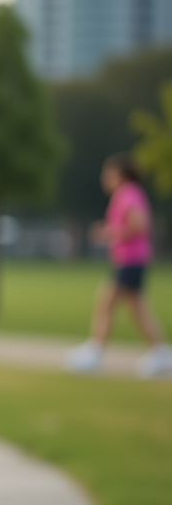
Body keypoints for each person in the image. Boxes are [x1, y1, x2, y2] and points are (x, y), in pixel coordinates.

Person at [67, 152, 172, 377]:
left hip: (131, 259)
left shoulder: (127, 194)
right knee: (137, 310)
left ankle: (95, 353)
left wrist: (108, 233)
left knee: (106, 303)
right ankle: (160, 353)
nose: (105, 177)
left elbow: (140, 224)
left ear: (120, 175)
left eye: (109, 173)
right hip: (132, 259)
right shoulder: (130, 194)